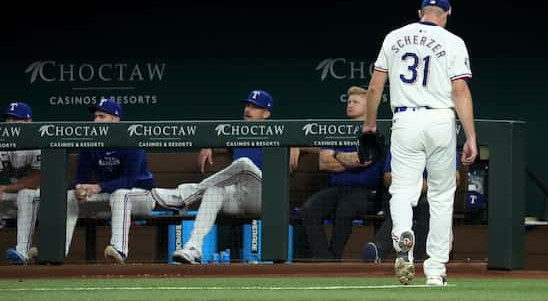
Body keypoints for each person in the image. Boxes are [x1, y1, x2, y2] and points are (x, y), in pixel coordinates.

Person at [363, 0, 478, 287]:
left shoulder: (394, 37)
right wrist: (471, 136)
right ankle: (436, 271)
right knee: (441, 196)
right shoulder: (453, 41)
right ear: (447, 13)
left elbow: (376, 85)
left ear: (420, 12)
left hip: (405, 119)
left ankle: (403, 235)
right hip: (440, 118)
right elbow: (461, 91)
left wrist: (369, 124)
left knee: (402, 190)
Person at [152, 90, 293, 264]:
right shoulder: (237, 132)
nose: (248, 110)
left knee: (244, 163)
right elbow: (220, 140)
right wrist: (209, 145)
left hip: (265, 198)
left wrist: (297, 144)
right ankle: (192, 248)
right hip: (239, 197)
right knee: (213, 190)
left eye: (255, 107)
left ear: (266, 114)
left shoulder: (278, 131)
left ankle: (183, 195)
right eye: (248, 105)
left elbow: (311, 138)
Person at [64, 98, 156, 264]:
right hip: (109, 197)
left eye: (101, 117)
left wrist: (98, 187)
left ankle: (119, 250)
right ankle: (56, 250)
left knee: (121, 194)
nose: (96, 120)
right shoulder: (91, 142)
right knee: (70, 197)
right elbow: (80, 177)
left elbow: (129, 181)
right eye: (95, 116)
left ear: (115, 119)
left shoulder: (131, 139)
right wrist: (80, 188)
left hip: (141, 197)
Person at [299, 86, 384, 261]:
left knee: (344, 210)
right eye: (349, 101)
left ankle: (334, 257)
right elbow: (324, 162)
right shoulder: (336, 128)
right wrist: (350, 160)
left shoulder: (374, 129)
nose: (350, 105)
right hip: (337, 189)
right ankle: (326, 261)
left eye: (355, 102)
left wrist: (336, 155)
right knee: (309, 209)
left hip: (367, 192)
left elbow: (364, 159)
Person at [362, 148, 461, 264]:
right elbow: (388, 177)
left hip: (432, 197)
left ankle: (413, 258)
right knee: (401, 203)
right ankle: (380, 251)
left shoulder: (442, 142)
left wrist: (428, 185)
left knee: (426, 206)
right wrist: (416, 185)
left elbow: (455, 178)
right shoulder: (403, 141)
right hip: (405, 193)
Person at [0, 102, 41, 265]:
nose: (10, 124)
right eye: (8, 119)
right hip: (16, 192)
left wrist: (5, 188)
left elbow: (37, 179)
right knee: (23, 194)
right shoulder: (4, 141)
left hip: (43, 194)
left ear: (28, 122)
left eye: (16, 120)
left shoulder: (38, 140)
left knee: (26, 194)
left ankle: (22, 252)